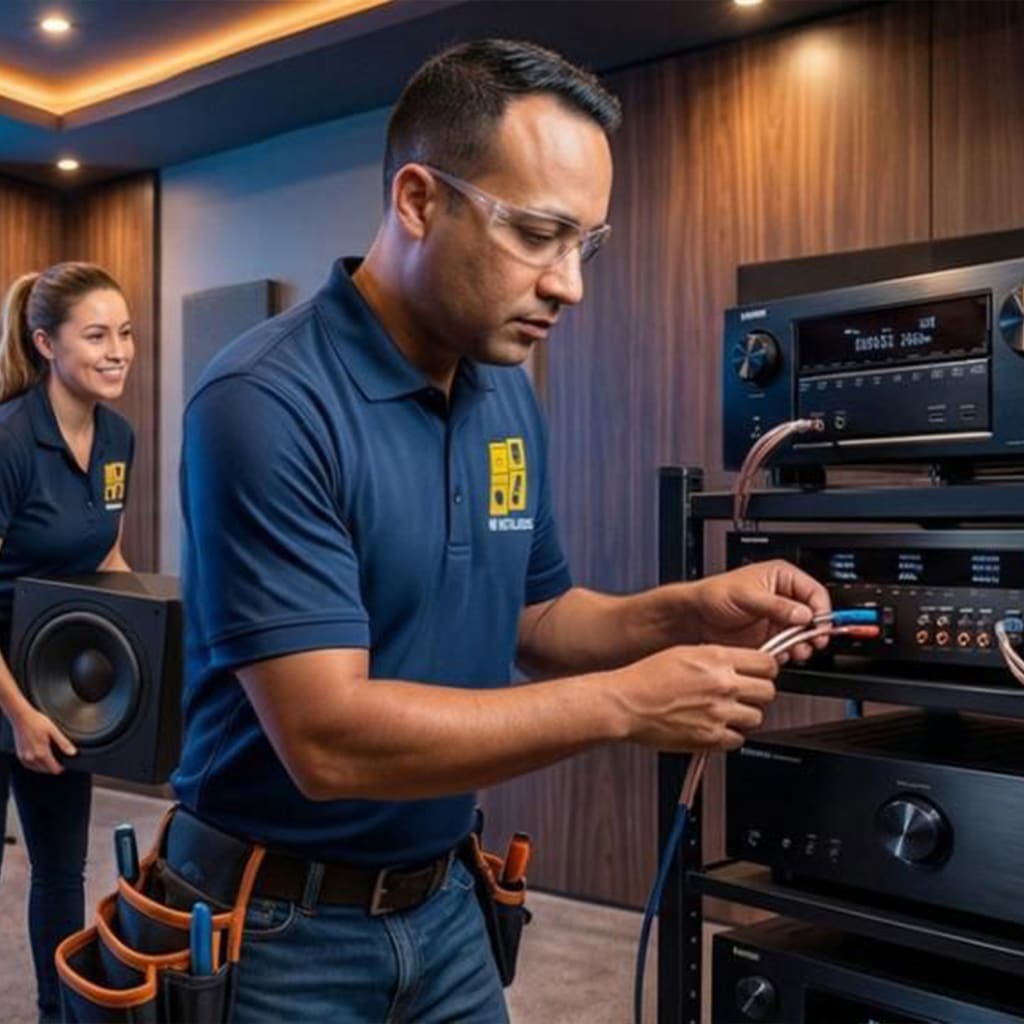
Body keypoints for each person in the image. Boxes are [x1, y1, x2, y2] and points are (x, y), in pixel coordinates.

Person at [173, 39, 830, 1023]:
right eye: (538, 233)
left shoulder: (504, 395)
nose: (569, 283)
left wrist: (687, 611)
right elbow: (326, 738)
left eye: (586, 244)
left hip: (445, 905)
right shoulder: (264, 400)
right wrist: (623, 704)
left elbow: (541, 616)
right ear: (417, 200)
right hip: (274, 924)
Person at [0, 262, 135, 1022]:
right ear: (46, 342)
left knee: (60, 872)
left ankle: (58, 1015)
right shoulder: (11, 441)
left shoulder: (118, 437)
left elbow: (104, 559)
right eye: (96, 335)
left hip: (58, 683)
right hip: (3, 677)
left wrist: (153, 627)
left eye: (124, 333)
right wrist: (18, 713)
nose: (117, 351)